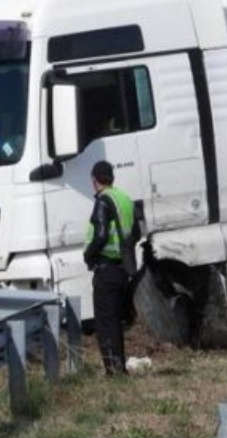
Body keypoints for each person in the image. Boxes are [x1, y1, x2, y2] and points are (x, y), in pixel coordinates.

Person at [83, 160, 135, 376]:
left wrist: (89, 254)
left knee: (105, 322)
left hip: (106, 269)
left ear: (95, 180)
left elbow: (101, 234)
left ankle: (113, 371)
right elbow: (136, 232)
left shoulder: (103, 201)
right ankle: (119, 367)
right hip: (123, 267)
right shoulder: (124, 198)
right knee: (116, 321)